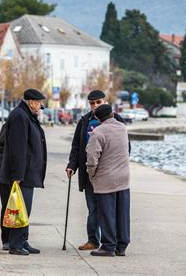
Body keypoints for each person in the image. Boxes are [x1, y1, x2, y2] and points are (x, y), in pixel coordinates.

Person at [65, 90, 128, 251]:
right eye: (92, 103)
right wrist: (72, 165)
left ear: (105, 102)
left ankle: (111, 242)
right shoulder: (84, 121)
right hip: (90, 173)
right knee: (93, 209)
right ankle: (93, 240)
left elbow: (125, 147)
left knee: (110, 210)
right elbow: (77, 146)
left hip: (108, 173)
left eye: (98, 102)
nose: (95, 105)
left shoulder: (117, 120)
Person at [0, 88, 47, 256]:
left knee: (24, 208)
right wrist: (18, 175)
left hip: (28, 172)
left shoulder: (26, 115)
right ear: (31, 102)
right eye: (39, 103)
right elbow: (18, 148)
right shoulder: (20, 116)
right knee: (20, 208)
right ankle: (15, 244)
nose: (41, 106)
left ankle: (22, 240)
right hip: (21, 174)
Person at [86, 104, 130, 257]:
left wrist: (91, 174)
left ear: (98, 118)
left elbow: (92, 158)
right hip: (124, 178)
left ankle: (108, 246)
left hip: (106, 179)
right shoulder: (123, 128)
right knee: (122, 213)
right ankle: (122, 246)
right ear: (112, 114)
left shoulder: (98, 132)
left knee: (107, 214)